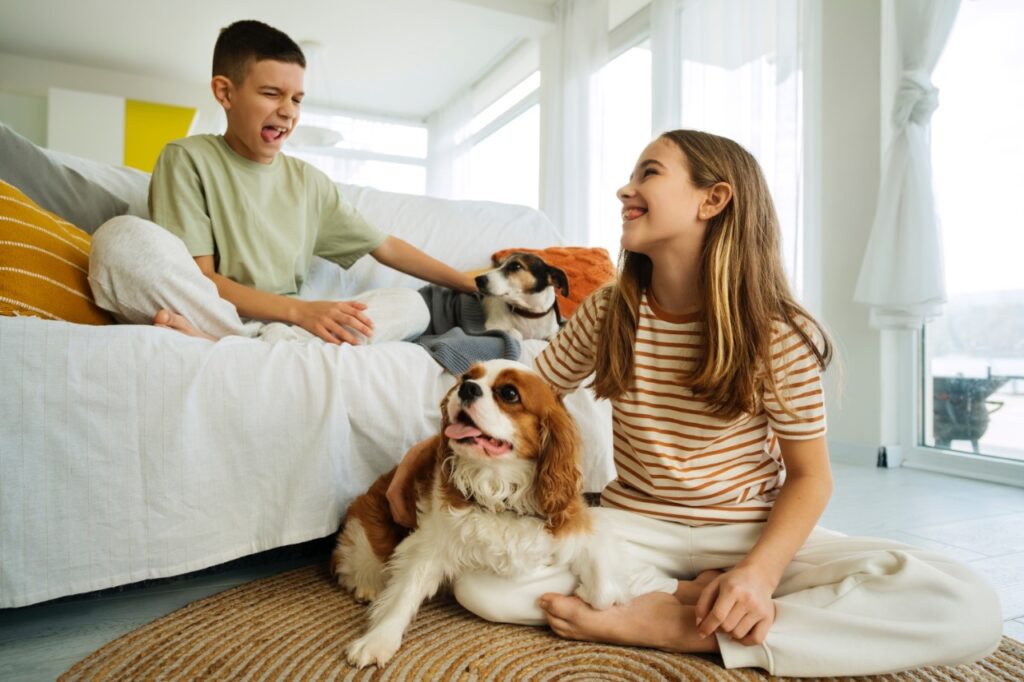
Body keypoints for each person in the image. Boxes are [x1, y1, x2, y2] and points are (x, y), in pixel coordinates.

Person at [384, 130, 1003, 677]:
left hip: (746, 532)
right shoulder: (609, 311)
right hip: (633, 527)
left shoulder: (779, 333)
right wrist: (431, 449)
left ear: (714, 199)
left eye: (648, 174)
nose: (625, 190)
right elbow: (522, 398)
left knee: (968, 604)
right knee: (483, 589)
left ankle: (679, 624)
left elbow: (811, 478)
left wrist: (758, 575)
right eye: (630, 177)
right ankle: (695, 601)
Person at [88, 20, 475, 344]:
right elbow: (200, 280)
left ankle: (235, 349)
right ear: (225, 92)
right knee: (119, 239)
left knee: (411, 306)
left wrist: (472, 285)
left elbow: (386, 246)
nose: (288, 112)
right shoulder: (187, 158)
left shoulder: (309, 183)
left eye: (297, 99)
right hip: (223, 314)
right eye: (272, 94)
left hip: (288, 330)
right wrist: (301, 311)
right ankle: (248, 346)